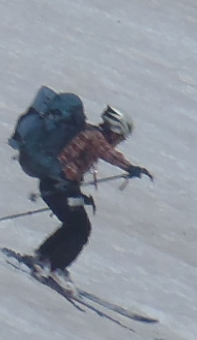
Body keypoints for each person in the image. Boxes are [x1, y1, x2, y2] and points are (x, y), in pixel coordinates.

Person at [31, 105, 152, 279]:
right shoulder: (95, 136)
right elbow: (108, 153)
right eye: (120, 136)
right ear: (115, 129)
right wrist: (130, 167)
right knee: (80, 229)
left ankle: (44, 256)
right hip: (59, 185)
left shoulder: (90, 132)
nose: (119, 140)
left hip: (58, 184)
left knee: (74, 225)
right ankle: (55, 267)